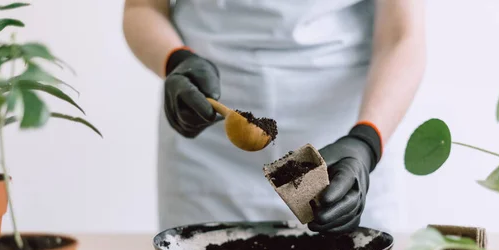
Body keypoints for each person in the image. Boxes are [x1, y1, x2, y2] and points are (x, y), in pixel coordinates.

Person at [123, 0, 425, 234]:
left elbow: (402, 36)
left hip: (341, 144)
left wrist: (366, 141)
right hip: (208, 153)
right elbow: (142, 7)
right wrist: (175, 60)